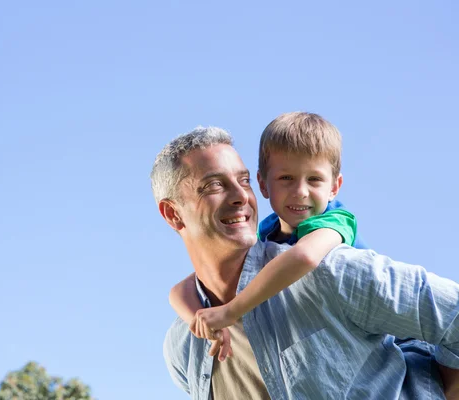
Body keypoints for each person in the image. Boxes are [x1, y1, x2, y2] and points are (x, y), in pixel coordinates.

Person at [151, 126, 459, 399]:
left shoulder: (329, 269)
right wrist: (202, 318)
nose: (240, 197)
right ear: (173, 214)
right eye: (215, 185)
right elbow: (182, 289)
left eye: (243, 182)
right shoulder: (183, 349)